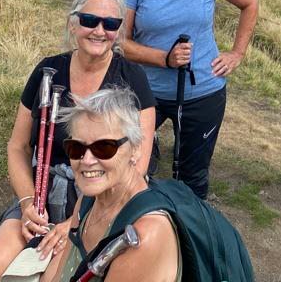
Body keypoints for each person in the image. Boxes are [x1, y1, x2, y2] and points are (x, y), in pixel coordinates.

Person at [0, 0, 157, 282]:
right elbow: (17, 147)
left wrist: (74, 222)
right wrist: (28, 203)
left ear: (119, 30)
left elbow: (137, 163)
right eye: (90, 20)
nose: (99, 30)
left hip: (101, 198)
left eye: (111, 23)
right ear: (73, 23)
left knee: (52, 278)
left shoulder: (133, 79)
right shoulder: (47, 71)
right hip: (42, 193)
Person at [119, 0, 258, 199]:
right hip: (145, 91)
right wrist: (164, 59)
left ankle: (189, 234)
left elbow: (250, 3)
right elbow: (119, 41)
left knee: (193, 179)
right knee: (133, 168)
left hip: (203, 92)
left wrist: (236, 54)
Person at [41, 88, 179, 282]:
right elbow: (61, 275)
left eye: (104, 147)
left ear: (136, 149)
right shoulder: (88, 200)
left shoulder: (144, 236)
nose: (87, 160)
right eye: (76, 147)